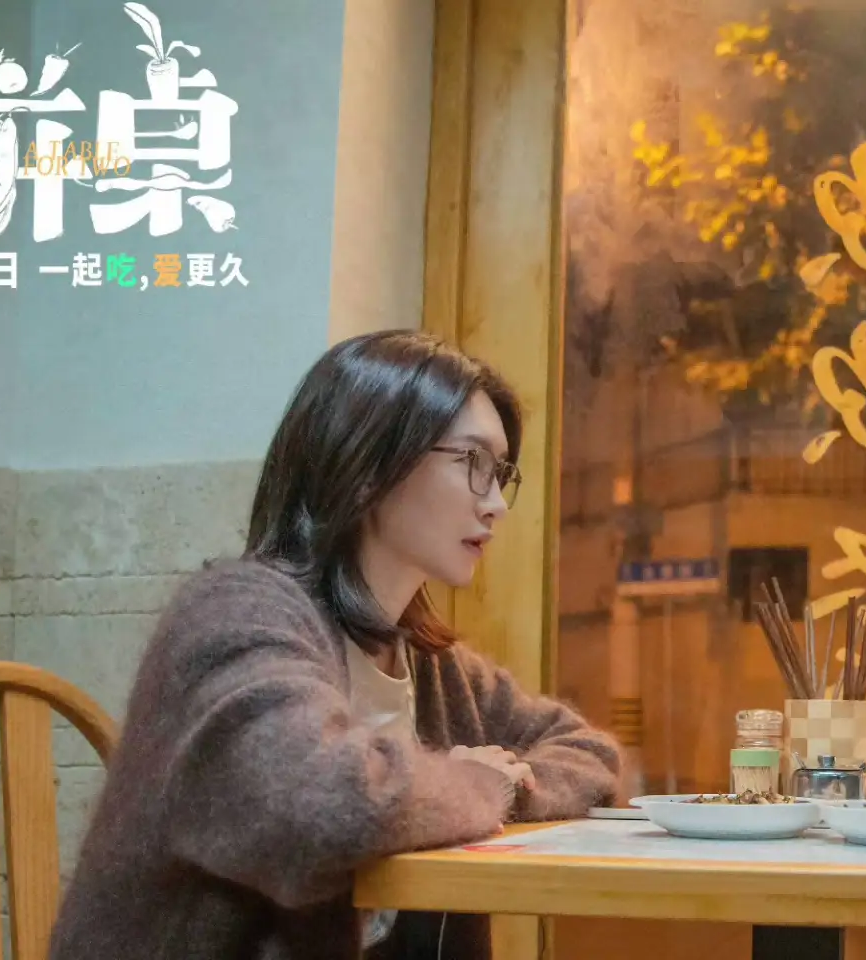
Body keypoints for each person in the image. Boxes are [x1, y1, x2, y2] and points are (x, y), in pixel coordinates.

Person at [50, 331, 621, 960]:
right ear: (368, 464)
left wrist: (513, 784)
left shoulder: (430, 665)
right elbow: (318, 811)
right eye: (471, 462)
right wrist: (477, 784)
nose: (495, 505)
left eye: (501, 473)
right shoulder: (234, 617)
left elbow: (587, 751)